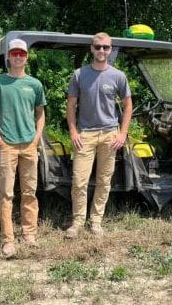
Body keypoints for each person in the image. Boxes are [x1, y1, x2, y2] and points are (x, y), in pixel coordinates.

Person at [0, 38, 46, 257]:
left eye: (22, 54)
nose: (18, 57)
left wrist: (37, 138)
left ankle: (29, 234)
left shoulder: (35, 84)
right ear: (8, 57)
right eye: (14, 54)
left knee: (30, 192)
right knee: (6, 194)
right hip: (7, 146)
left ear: (26, 57)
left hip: (29, 145)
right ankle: (8, 240)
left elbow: (40, 113)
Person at [65, 32, 132, 238]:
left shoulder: (118, 76)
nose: (101, 51)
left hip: (110, 136)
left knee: (104, 181)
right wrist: (73, 130)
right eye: (97, 47)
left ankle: (95, 221)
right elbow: (71, 105)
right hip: (85, 135)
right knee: (79, 181)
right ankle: (77, 222)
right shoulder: (79, 74)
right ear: (91, 49)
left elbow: (128, 106)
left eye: (105, 47)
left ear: (111, 50)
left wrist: (122, 133)